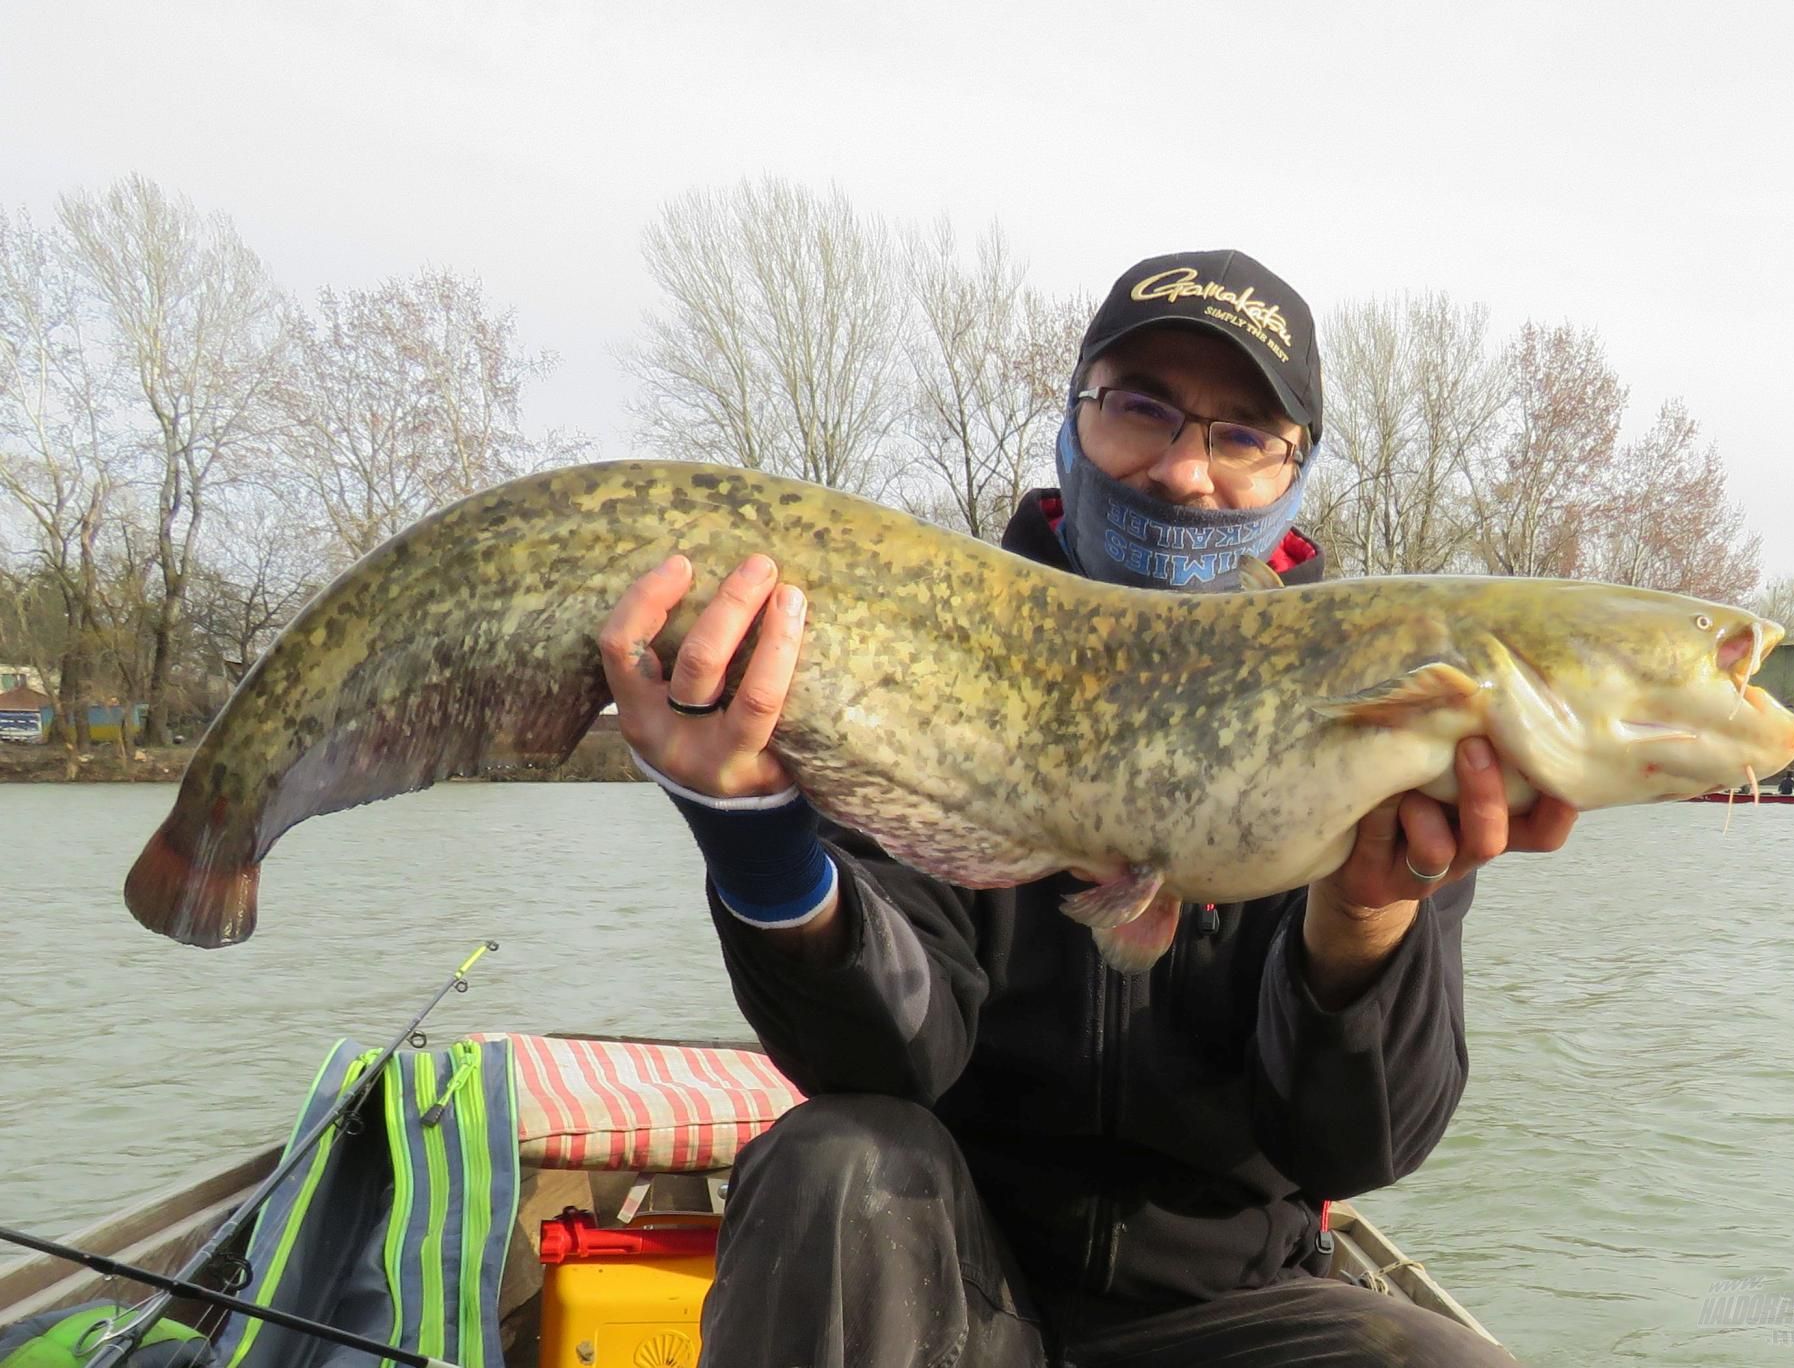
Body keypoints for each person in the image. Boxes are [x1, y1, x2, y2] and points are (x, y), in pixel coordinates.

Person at [599, 249, 1581, 1367]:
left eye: (1243, 435)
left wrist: (1364, 925)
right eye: (1142, 409)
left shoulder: (1392, 714)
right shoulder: (927, 651)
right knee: (834, 1160)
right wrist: (761, 854)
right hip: (948, 1289)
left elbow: (1351, 1148)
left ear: (1297, 474)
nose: (1182, 471)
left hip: (1230, 1312)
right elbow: (888, 1059)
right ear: (1074, 422)